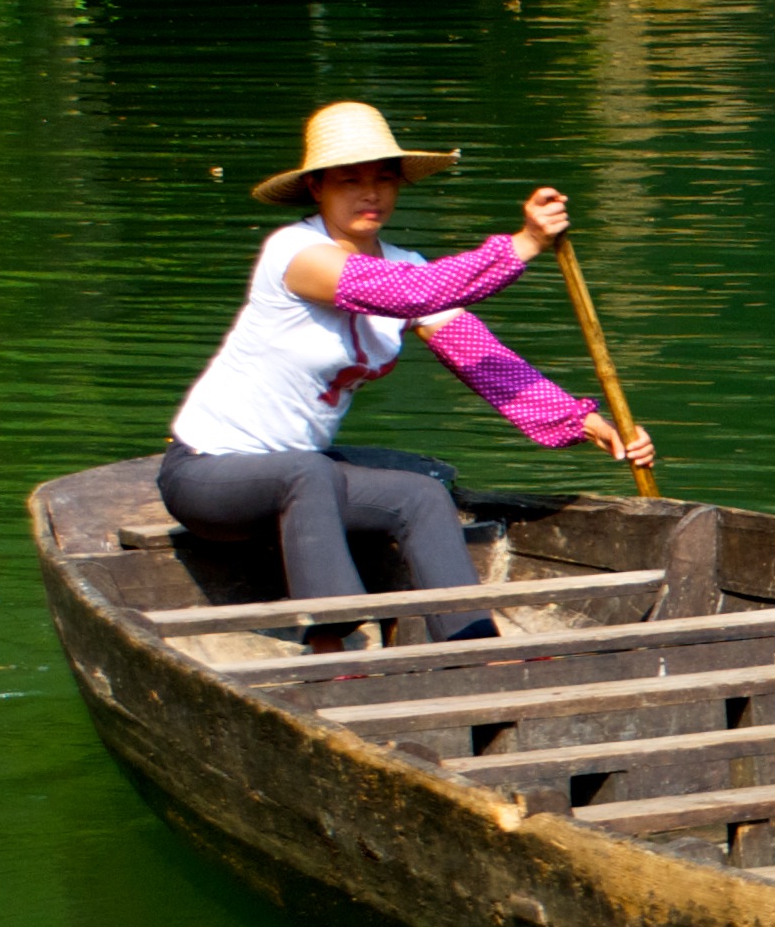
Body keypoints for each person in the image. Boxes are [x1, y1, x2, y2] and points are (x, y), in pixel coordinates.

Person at [160, 102, 656, 648]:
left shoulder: (406, 263)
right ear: (317, 189)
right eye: (350, 180)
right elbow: (412, 295)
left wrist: (586, 423)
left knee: (421, 494)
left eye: (383, 179)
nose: (370, 193)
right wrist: (524, 244)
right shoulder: (294, 253)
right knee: (308, 471)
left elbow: (481, 358)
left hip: (303, 484)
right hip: (209, 478)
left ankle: (472, 648)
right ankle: (334, 640)